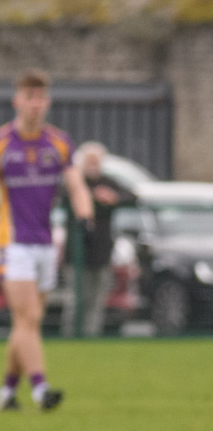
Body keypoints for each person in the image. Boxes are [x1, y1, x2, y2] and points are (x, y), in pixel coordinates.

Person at [0, 69, 93, 411]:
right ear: (17, 100)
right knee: (28, 318)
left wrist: (85, 216)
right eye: (30, 97)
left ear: (48, 101)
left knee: (26, 323)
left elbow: (77, 184)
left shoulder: (59, 143)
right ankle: (41, 389)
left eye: (41, 98)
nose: (36, 104)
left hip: (44, 244)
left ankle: (7, 393)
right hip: (13, 243)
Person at [60, 142, 135, 337]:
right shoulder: (75, 182)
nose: (93, 164)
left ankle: (92, 337)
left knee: (97, 299)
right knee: (76, 299)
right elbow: (62, 196)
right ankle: (70, 336)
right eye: (89, 160)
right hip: (77, 251)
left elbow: (133, 196)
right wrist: (90, 198)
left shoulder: (108, 182)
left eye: (96, 161)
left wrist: (114, 197)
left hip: (102, 251)